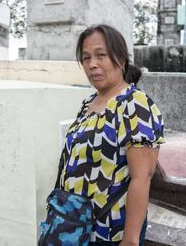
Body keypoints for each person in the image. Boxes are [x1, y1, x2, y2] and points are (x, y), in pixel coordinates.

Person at [58, 24, 165, 245]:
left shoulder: (135, 104)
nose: (92, 65)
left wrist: (131, 240)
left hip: (108, 231)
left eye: (101, 55)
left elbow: (141, 177)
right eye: (86, 58)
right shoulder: (89, 102)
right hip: (74, 225)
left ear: (121, 59)